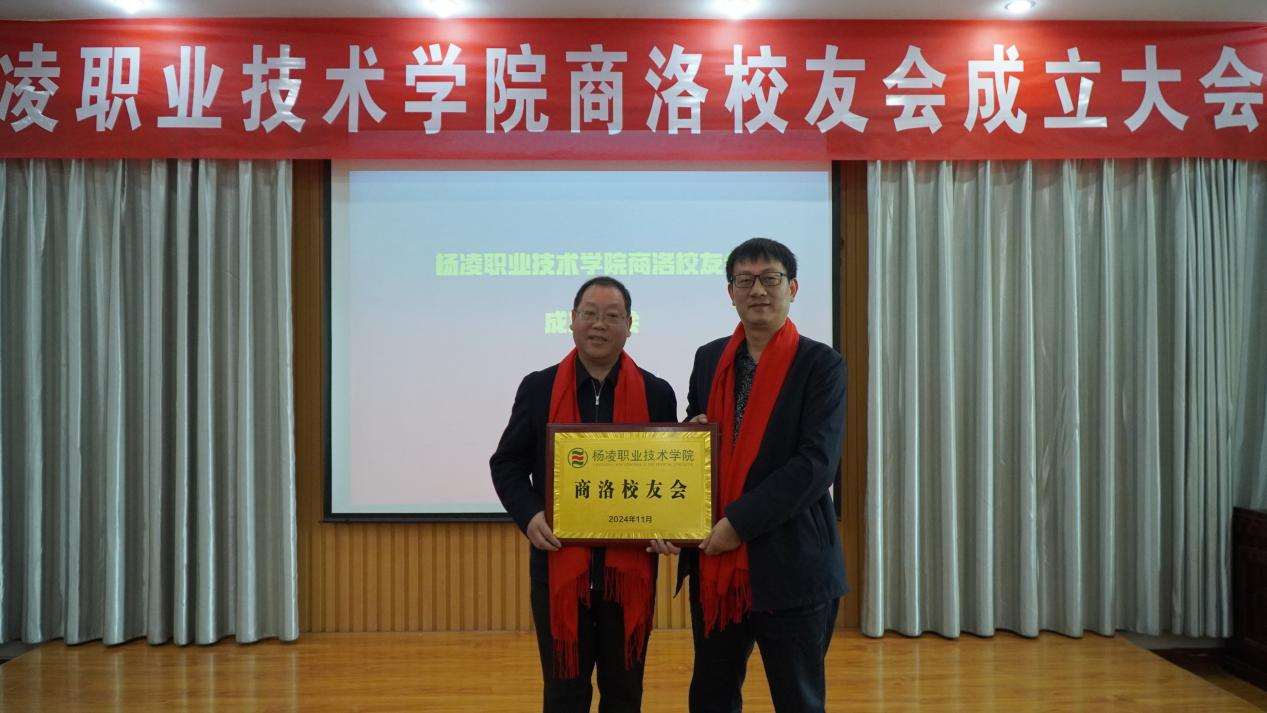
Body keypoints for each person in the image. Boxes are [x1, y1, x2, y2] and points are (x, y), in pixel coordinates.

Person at [491, 276, 678, 713]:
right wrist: (530, 514)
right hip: (558, 565)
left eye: (612, 316)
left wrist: (671, 524)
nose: (599, 324)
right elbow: (508, 463)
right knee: (564, 694)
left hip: (629, 572)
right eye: (590, 314)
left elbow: (670, 474)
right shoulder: (538, 388)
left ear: (629, 325)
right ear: (572, 320)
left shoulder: (656, 392)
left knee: (624, 692)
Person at [676, 237, 847, 713]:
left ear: (792, 288)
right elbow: (699, 436)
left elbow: (816, 464)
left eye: (770, 279)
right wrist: (691, 433)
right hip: (717, 565)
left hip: (791, 561)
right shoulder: (709, 358)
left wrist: (739, 523)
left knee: (798, 700)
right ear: (730, 291)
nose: (758, 290)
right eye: (745, 280)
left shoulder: (821, 365)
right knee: (711, 697)